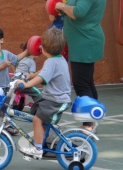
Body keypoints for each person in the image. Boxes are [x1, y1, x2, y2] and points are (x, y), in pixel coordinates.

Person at [16, 27, 72, 158]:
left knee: (37, 120)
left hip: (56, 100)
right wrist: (31, 75)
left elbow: (42, 77)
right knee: (38, 113)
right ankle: (44, 140)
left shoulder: (51, 62)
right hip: (55, 98)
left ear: (44, 49)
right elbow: (43, 72)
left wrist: (26, 84)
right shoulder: (59, 59)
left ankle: (38, 149)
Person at [55, 0, 106, 132]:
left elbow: (78, 12)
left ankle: (88, 125)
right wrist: (61, 9)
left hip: (85, 43)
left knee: (81, 84)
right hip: (81, 41)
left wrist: (61, 6)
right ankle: (92, 120)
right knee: (87, 82)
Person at [0, 27, 40, 135]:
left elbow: (16, 58)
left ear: (1, 40)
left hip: (5, 86)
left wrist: (28, 50)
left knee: (4, 107)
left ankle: (5, 125)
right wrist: (3, 65)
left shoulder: (6, 53)